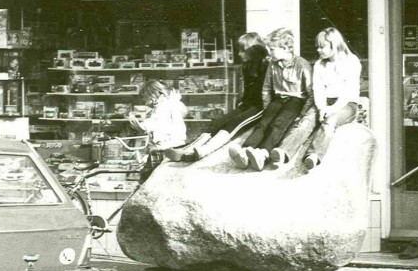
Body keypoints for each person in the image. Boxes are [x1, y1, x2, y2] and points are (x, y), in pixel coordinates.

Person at [164, 32, 269, 162]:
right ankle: (189, 148)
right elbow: (248, 90)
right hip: (248, 104)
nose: (239, 54)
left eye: (242, 51)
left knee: (235, 123)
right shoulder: (247, 66)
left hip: (260, 107)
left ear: (252, 51)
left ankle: (205, 150)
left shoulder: (267, 65)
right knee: (217, 123)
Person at [271, 27, 362, 170]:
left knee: (329, 123)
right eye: (317, 47)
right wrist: (321, 108)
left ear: (334, 44)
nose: (318, 50)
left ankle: (313, 155)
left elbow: (348, 91)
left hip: (346, 104)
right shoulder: (320, 64)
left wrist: (331, 110)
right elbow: (318, 89)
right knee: (306, 121)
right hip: (324, 102)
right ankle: (284, 152)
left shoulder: (351, 61)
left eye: (322, 47)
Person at [228, 27, 312, 171]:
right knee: (264, 123)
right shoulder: (273, 65)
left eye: (272, 49)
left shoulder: (302, 64)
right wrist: (268, 107)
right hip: (278, 99)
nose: (269, 52)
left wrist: (303, 113)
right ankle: (246, 151)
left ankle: (263, 153)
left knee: (278, 125)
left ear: (285, 48)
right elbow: (266, 87)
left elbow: (311, 92)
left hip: (295, 101)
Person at [127, 79, 187, 176]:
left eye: (146, 99)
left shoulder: (163, 107)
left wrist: (140, 125)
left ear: (152, 95)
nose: (146, 104)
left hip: (167, 148)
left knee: (151, 176)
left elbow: (156, 124)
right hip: (174, 147)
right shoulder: (171, 104)